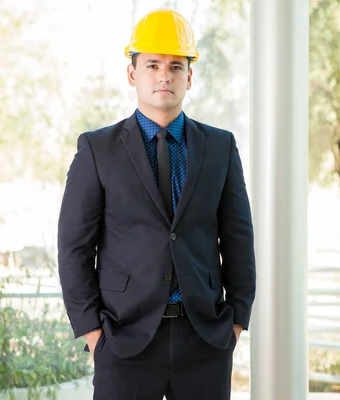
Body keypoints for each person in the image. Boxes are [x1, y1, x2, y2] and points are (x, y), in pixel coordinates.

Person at [57, 8, 256, 400]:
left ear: (190, 76)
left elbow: (238, 240)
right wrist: (94, 335)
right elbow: (74, 247)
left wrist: (235, 322)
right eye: (152, 65)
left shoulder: (220, 147)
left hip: (204, 340)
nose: (164, 75)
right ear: (133, 74)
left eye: (176, 66)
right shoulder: (97, 150)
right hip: (124, 340)